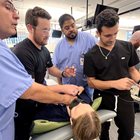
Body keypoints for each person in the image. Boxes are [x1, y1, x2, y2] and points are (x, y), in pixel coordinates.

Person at [0, 1, 81, 140]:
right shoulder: (22, 52)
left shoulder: (43, 50)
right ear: (30, 28)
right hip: (25, 109)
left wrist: (63, 73)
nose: (48, 34)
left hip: (38, 100)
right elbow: (31, 90)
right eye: (44, 30)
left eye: (49, 29)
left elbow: (51, 69)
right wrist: (65, 96)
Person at [84, 9, 140, 140]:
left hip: (124, 97)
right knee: (103, 132)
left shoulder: (127, 47)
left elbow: (132, 70)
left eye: (115, 33)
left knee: (127, 133)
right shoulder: (90, 55)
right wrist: (115, 83)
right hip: (103, 98)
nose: (113, 38)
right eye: (108, 35)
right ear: (98, 33)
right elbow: (91, 81)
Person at [53, 13, 97, 100]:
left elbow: (99, 55)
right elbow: (56, 68)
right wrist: (61, 87)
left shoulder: (88, 38)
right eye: (67, 28)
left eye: (73, 26)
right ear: (62, 30)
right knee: (71, 109)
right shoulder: (59, 46)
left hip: (87, 86)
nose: (71, 29)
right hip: (68, 87)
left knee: (88, 107)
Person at [34, 88, 101, 140]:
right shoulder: (87, 100)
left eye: (76, 106)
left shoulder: (51, 113)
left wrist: (59, 92)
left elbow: (34, 93)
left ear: (71, 121)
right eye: (83, 103)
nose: (78, 101)